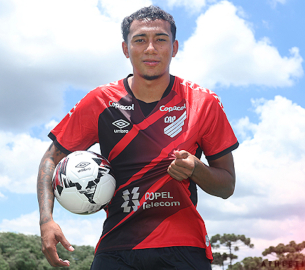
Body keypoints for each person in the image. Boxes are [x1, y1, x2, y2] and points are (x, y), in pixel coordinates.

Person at [37, 5, 239, 269]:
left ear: (174, 48)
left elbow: (227, 186)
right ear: (126, 49)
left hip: (184, 248)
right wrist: (46, 221)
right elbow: (51, 159)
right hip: (118, 247)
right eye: (140, 40)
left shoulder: (203, 103)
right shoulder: (100, 102)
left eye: (160, 39)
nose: (151, 48)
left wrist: (196, 169)